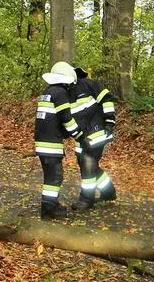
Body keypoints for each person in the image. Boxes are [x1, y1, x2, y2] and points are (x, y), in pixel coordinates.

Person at [34, 61, 87, 219]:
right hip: (50, 144)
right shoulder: (61, 93)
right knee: (55, 177)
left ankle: (50, 205)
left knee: (51, 177)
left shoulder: (48, 91)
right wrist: (79, 135)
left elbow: (52, 118)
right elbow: (66, 119)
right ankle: (49, 209)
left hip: (43, 142)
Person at [71, 66, 117, 210]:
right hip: (82, 136)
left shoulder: (90, 84)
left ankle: (86, 199)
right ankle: (108, 192)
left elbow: (107, 99)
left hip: (97, 131)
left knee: (88, 163)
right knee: (86, 164)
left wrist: (109, 122)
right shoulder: (66, 91)